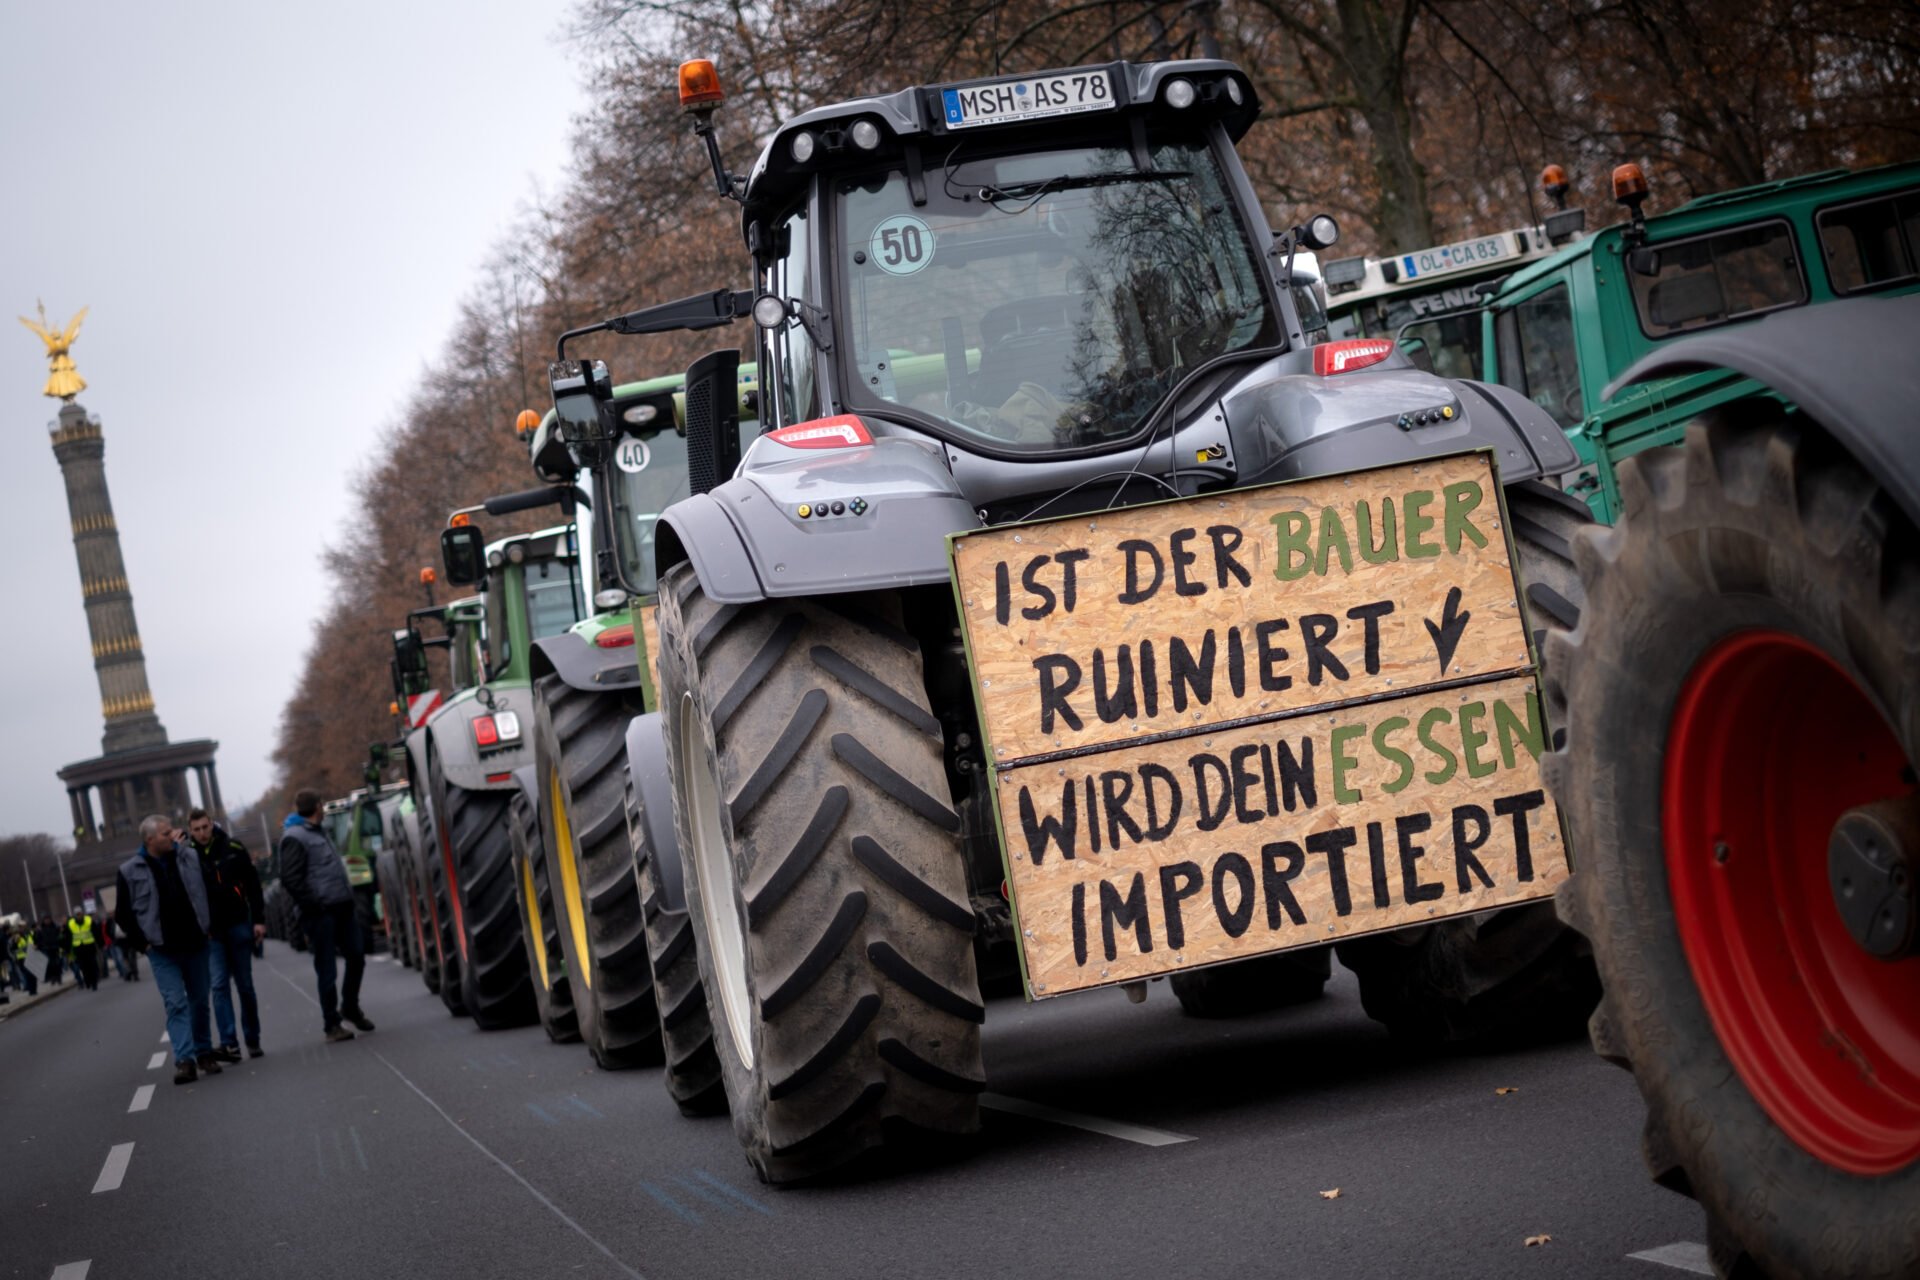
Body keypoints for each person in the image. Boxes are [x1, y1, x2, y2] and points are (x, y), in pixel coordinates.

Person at [115, 815, 224, 1085]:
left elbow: (210, 887)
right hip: (162, 950)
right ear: (149, 840)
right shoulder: (130, 871)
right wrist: (144, 944)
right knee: (176, 1003)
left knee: (199, 1001)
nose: (172, 835)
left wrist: (209, 925)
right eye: (165, 833)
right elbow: (123, 914)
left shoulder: (188, 857)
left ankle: (204, 1052)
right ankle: (185, 1060)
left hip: (196, 943)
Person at [280, 789, 374, 1042]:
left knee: (357, 955)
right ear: (317, 807)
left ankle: (350, 1007)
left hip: (342, 907)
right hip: (320, 913)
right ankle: (331, 1024)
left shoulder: (318, 831)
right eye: (322, 805)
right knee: (327, 969)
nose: (324, 808)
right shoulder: (295, 837)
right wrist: (314, 905)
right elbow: (290, 878)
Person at [186, 808, 266, 1059]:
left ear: (212, 825)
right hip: (211, 933)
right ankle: (229, 1041)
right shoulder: (187, 857)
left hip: (238, 924)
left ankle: (252, 1039)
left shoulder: (233, 848)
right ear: (191, 830)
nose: (201, 833)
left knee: (245, 986)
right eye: (196, 829)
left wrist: (259, 921)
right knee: (219, 986)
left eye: (205, 827)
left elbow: (253, 885)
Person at [67, 905, 101, 991]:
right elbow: (69, 937)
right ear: (74, 915)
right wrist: (69, 950)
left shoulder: (88, 920)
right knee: (83, 967)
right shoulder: (71, 924)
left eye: (80, 913)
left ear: (82, 913)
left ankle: (94, 982)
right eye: (77, 914)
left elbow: (96, 932)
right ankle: (87, 981)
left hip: (89, 946)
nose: (79, 915)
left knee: (92, 965)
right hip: (79, 949)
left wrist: (99, 944)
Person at [35, 916, 64, 986]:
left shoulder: (55, 927)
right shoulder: (41, 929)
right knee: (49, 965)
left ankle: (58, 978)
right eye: (46, 920)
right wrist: (39, 946)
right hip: (46, 949)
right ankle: (53, 978)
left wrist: (60, 944)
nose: (47, 921)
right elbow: (38, 939)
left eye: (48, 920)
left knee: (57, 963)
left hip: (55, 947)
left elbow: (60, 936)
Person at [7, 926, 35, 995]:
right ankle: (29, 988)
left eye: (16, 933)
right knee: (24, 973)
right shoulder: (11, 941)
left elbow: (28, 945)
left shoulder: (23, 937)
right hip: (19, 959)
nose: (15, 935)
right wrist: (15, 943)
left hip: (27, 957)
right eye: (14, 933)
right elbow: (11, 950)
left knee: (29, 974)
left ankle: (32, 988)